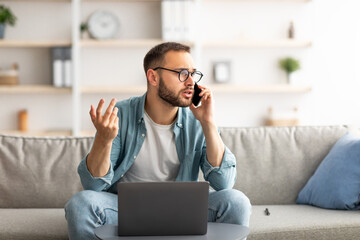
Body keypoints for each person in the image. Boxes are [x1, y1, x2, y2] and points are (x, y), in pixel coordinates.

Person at [65, 42, 251, 240]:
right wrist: (103, 140)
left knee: (237, 201)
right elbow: (93, 187)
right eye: (181, 73)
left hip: (183, 209)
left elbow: (223, 183)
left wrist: (208, 123)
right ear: (153, 77)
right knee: (81, 204)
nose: (191, 82)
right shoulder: (121, 114)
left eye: (193, 74)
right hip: (125, 210)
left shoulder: (198, 120)